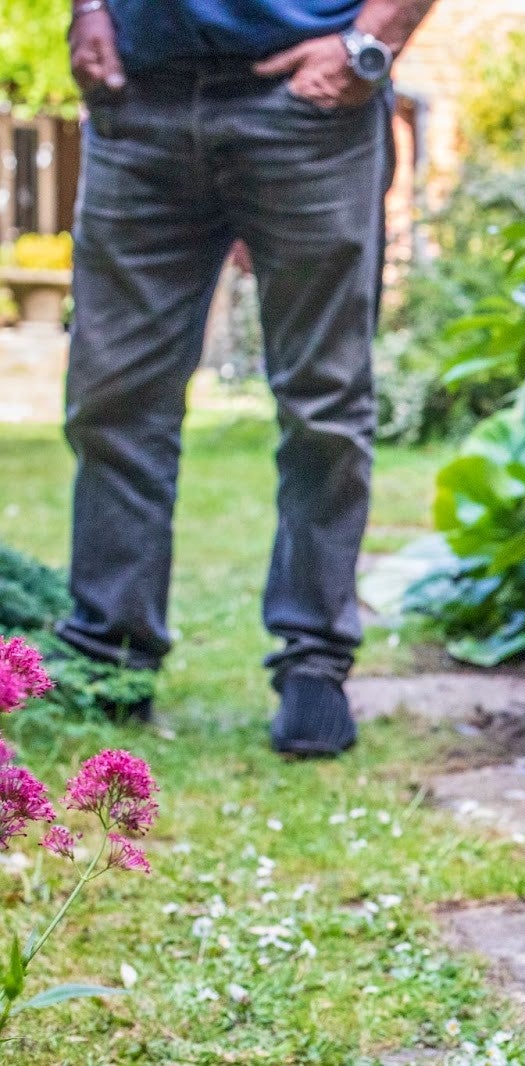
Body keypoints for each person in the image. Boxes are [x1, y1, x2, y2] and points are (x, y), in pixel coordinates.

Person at [60, 0, 436, 754]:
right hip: (138, 91)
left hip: (309, 99)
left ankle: (313, 666)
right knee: (113, 397)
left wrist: (371, 38)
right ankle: (110, 660)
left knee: (323, 402)